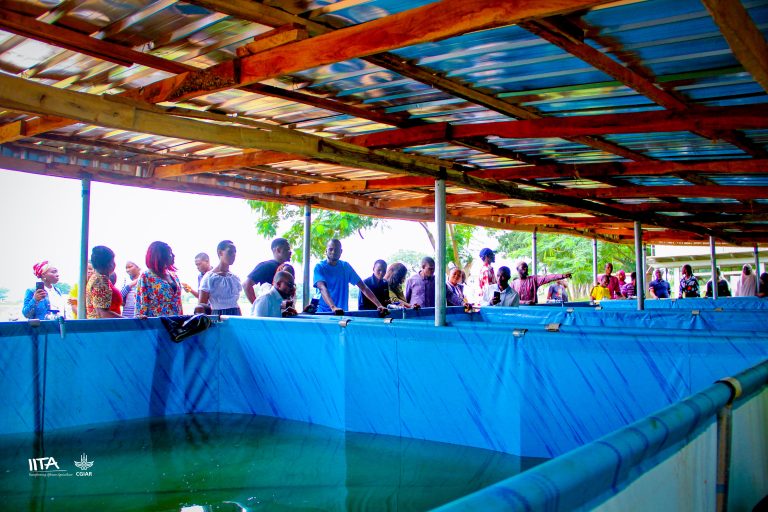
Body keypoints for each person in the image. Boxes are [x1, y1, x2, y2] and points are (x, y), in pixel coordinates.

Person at [313, 239, 387, 315]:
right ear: (326, 251)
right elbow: (322, 288)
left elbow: (363, 287)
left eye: (337, 250)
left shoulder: (345, 267)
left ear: (341, 252)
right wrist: (333, 307)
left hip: (341, 313)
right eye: (330, 249)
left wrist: (379, 305)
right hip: (323, 314)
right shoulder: (319, 267)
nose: (333, 252)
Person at [137, 241, 183, 317]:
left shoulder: (174, 275)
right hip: (156, 324)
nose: (173, 256)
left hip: (176, 323)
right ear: (161, 256)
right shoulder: (146, 276)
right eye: (170, 254)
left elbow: (179, 302)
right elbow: (141, 305)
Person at [197, 240, 242, 316]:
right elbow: (201, 307)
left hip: (236, 316)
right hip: (218, 317)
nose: (234, 255)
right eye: (230, 252)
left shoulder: (235, 278)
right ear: (220, 253)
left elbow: (235, 303)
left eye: (235, 252)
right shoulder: (209, 278)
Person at [243, 238, 292, 304]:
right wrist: (257, 304)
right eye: (287, 249)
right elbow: (246, 285)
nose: (290, 252)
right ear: (278, 250)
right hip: (270, 310)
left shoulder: (287, 268)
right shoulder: (266, 266)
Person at [86, 246, 123, 319]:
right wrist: (129, 321)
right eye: (113, 261)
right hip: (104, 327)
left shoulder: (95, 278)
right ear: (109, 263)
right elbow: (103, 313)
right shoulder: (100, 281)